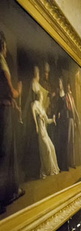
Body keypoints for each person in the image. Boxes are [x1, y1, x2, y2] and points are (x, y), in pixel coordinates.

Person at [0, 30, 24, 212]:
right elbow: (10, 92)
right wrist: (19, 90)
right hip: (4, 112)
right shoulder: (2, 62)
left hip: (5, 109)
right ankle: (6, 195)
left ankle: (9, 193)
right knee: (6, 152)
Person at [31, 90, 59, 178]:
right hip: (41, 132)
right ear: (38, 95)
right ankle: (48, 170)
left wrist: (53, 120)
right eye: (40, 94)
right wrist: (35, 124)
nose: (41, 96)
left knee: (52, 148)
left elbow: (47, 120)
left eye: (42, 95)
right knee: (47, 150)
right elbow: (32, 113)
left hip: (45, 133)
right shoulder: (35, 104)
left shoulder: (42, 108)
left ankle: (52, 169)